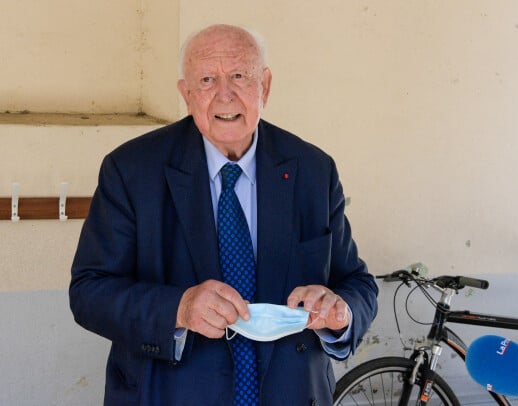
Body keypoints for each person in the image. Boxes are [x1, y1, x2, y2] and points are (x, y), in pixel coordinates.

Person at [69, 24, 378, 406]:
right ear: (186, 94)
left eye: (239, 76)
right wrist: (179, 308)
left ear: (264, 86)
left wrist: (340, 311)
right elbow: (89, 291)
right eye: (207, 79)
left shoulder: (313, 170)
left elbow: (358, 283)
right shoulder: (132, 170)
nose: (225, 94)